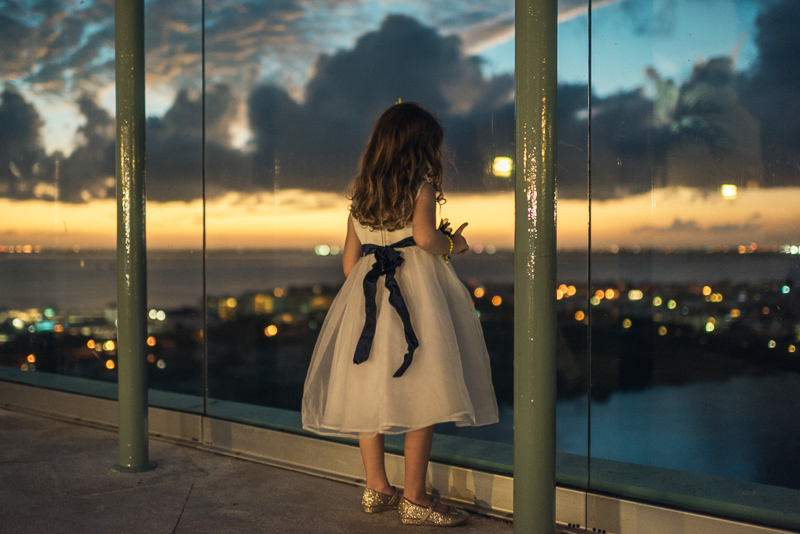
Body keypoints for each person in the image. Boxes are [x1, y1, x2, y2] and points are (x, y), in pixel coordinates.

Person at [302, 102, 498, 527]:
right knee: (421, 392)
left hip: (369, 302)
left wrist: (376, 274)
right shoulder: (421, 189)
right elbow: (426, 239)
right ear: (420, 146)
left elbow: (350, 265)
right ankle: (415, 497)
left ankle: (376, 488)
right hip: (414, 300)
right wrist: (456, 246)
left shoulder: (361, 194)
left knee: (366, 391)